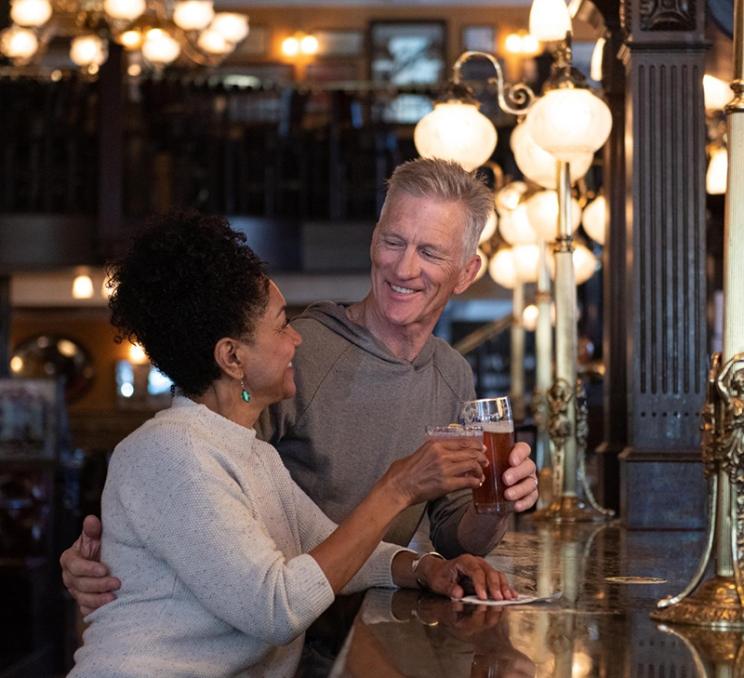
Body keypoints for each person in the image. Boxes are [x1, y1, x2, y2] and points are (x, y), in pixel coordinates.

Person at [61, 158, 538, 614]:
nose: (404, 268)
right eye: (394, 241)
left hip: (358, 623)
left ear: (467, 273)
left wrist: (497, 503)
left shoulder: (452, 373)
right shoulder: (289, 355)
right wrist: (108, 555)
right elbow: (188, 468)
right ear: (373, 239)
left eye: (430, 252)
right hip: (273, 630)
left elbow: (454, 533)